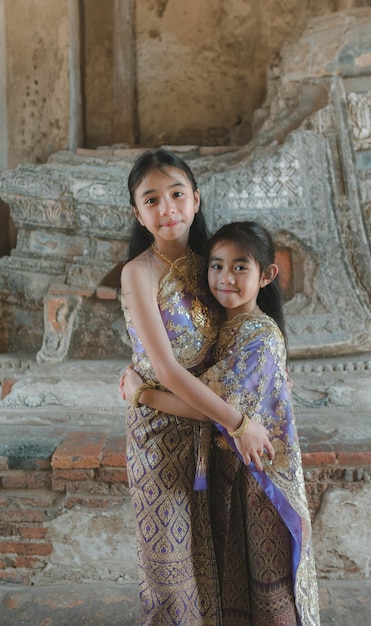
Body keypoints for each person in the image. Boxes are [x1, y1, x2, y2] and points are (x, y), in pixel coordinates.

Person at [122, 221, 321, 626]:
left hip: (262, 483)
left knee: (267, 587)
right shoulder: (228, 325)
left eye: (240, 267)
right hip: (234, 474)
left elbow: (210, 406)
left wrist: (142, 394)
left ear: (267, 275)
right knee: (236, 586)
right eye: (216, 266)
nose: (225, 278)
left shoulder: (259, 337)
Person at [120, 151, 274, 625]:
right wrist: (239, 422)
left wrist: (239, 416)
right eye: (152, 199)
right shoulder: (138, 272)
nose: (167, 207)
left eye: (177, 194)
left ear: (195, 199)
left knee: (212, 561)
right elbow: (165, 369)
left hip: (213, 433)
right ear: (137, 213)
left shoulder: (213, 264)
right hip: (161, 434)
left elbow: (236, 340)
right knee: (169, 567)